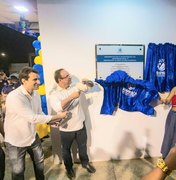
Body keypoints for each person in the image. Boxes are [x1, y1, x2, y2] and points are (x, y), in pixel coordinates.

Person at [4, 67, 68, 180]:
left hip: (32, 136)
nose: (39, 82)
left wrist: (51, 122)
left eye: (38, 79)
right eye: (35, 79)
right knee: (18, 172)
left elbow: (39, 113)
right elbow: (33, 118)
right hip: (16, 141)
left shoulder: (36, 94)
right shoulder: (14, 97)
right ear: (24, 81)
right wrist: (57, 116)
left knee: (39, 164)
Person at [49, 68, 96, 179]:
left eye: (69, 75)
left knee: (83, 147)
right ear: (59, 80)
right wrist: (71, 97)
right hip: (66, 128)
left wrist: (88, 83)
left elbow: (89, 87)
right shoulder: (54, 94)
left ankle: (85, 163)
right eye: (66, 76)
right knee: (66, 150)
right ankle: (69, 168)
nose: (69, 77)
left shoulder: (75, 86)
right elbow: (58, 107)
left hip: (80, 124)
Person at [160, 86, 176, 159]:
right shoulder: (175, 88)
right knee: (169, 135)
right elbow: (168, 100)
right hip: (173, 115)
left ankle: (172, 158)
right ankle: (165, 157)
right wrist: (165, 101)